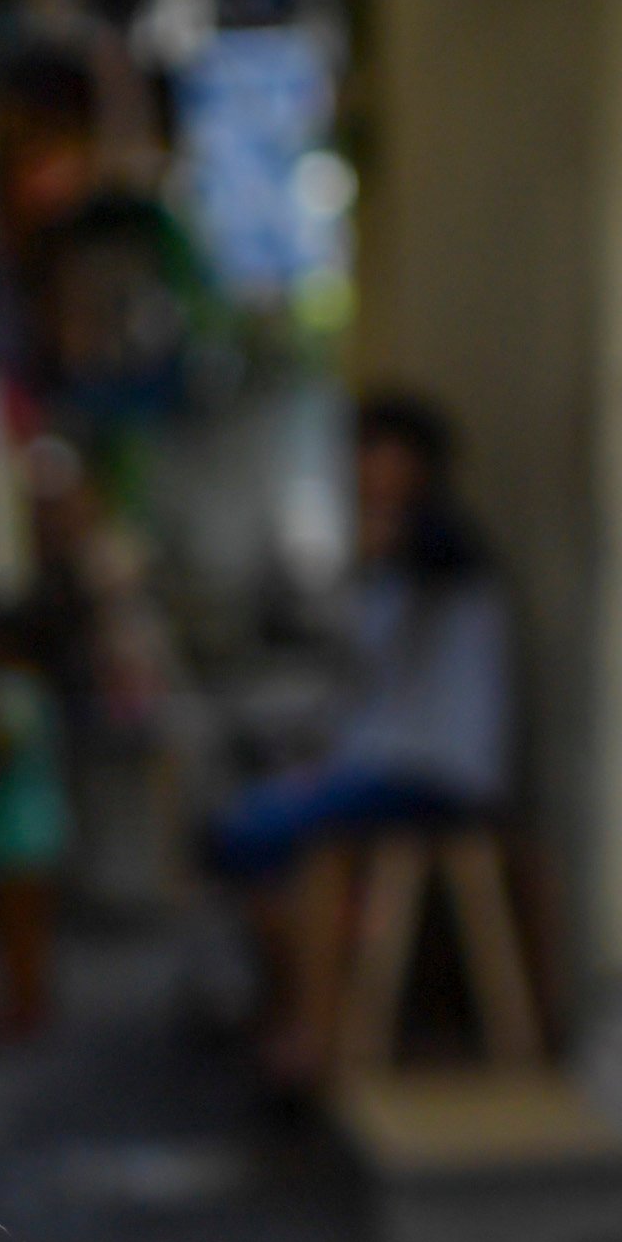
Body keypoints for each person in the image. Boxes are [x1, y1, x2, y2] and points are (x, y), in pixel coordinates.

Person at [206, 389, 513, 1087]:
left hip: (435, 773)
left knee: (255, 833)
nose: (368, 470)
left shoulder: (440, 548)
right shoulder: (395, 558)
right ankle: (312, 1017)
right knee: (269, 843)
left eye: (382, 455)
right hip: (396, 764)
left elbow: (434, 555)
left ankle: (315, 1032)